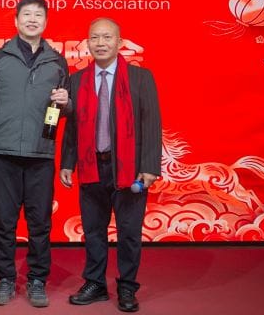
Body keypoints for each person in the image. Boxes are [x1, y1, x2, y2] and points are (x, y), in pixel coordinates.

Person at [59, 17, 161, 312]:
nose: (100, 43)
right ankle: (95, 283)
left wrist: (150, 166)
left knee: (129, 231)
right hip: (92, 165)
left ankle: (127, 286)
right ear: (87, 43)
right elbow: (73, 127)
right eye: (94, 38)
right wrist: (67, 163)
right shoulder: (78, 80)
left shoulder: (141, 78)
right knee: (93, 230)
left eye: (107, 37)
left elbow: (151, 123)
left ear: (120, 42)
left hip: (129, 169)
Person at [0, 0, 69, 308]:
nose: (32, 20)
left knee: (40, 222)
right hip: (3, 153)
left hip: (41, 153)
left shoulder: (57, 61)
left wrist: (66, 102)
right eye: (26, 14)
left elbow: (66, 107)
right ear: (16, 21)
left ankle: (37, 279)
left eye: (38, 15)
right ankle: (5, 278)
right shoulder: (0, 58)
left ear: (46, 22)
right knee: (4, 221)